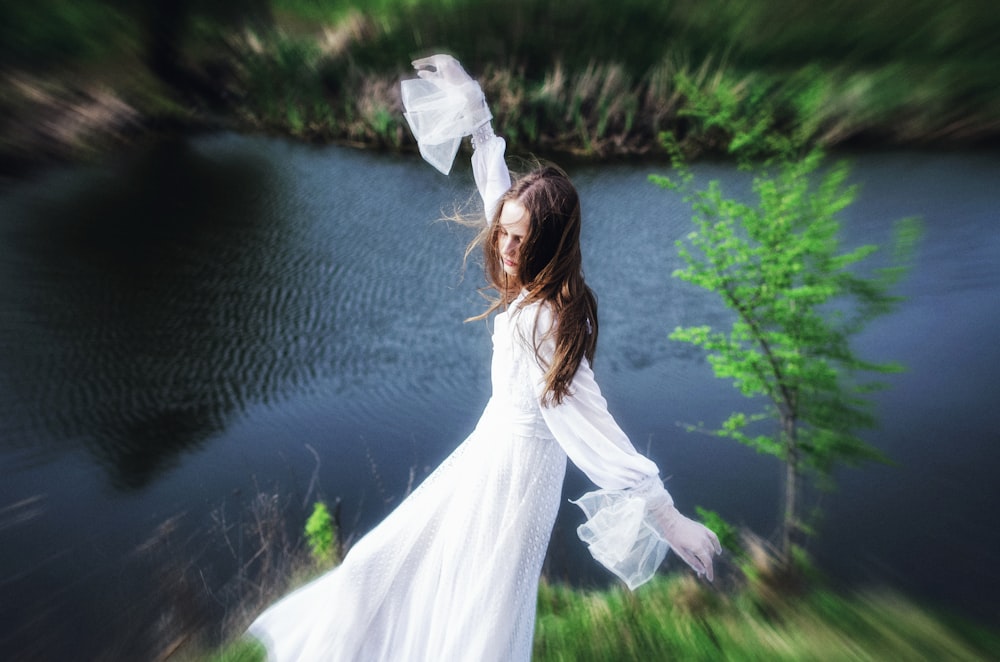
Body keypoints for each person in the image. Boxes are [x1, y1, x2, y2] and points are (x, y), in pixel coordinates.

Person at [246, 54, 720, 661]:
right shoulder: (532, 284)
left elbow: (588, 418)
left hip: (516, 481)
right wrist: (478, 118)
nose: (506, 245)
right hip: (485, 457)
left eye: (522, 239)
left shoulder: (543, 319)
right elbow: (499, 194)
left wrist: (664, 514)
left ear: (550, 244)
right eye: (505, 233)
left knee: (478, 620)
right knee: (377, 568)